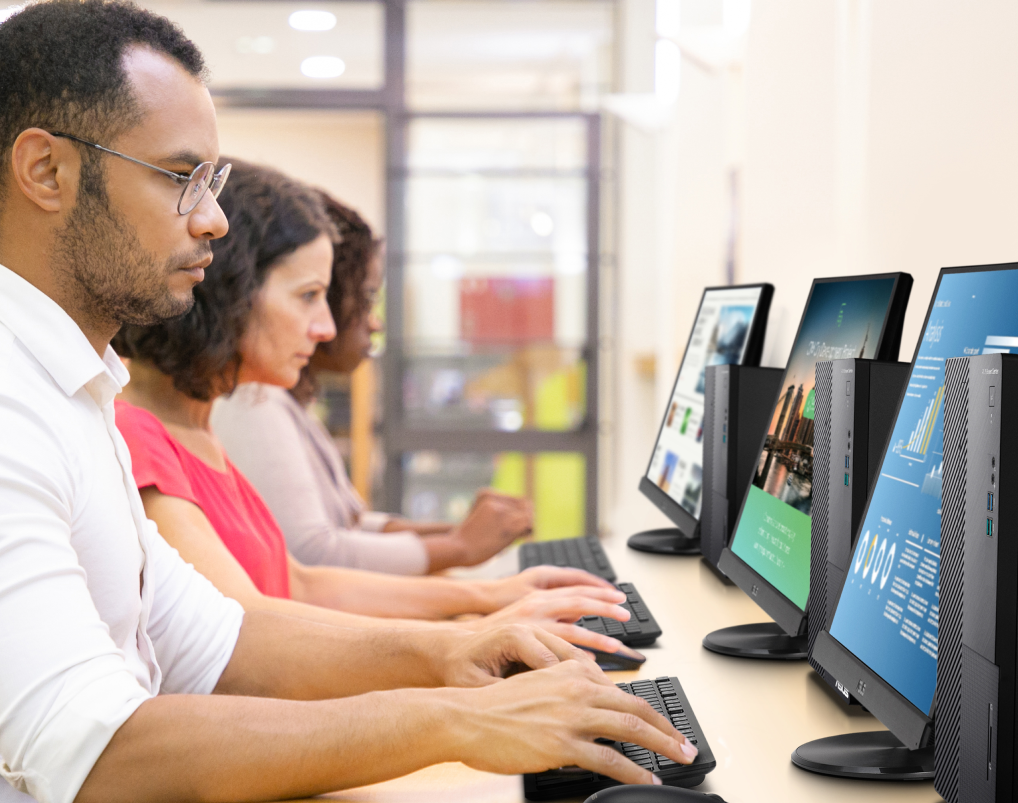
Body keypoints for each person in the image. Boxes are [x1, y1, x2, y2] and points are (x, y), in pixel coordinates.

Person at [0, 0, 694, 803]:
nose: (210, 221)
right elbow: (96, 758)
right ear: (45, 169)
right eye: (177, 178)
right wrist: (452, 720)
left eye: (212, 181)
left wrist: (457, 656)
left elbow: (225, 645)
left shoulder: (70, 389)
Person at [113, 158, 638, 656]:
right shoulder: (147, 440)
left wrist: (492, 600)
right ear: (232, 293)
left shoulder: (200, 430)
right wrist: (471, 633)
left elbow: (303, 584)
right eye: (308, 296)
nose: (326, 328)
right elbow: (250, 638)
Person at [214, 191, 524, 575]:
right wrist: (459, 548)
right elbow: (311, 554)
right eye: (365, 298)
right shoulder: (251, 401)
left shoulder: (284, 400)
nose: (373, 321)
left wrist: (463, 534)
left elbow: (349, 523)